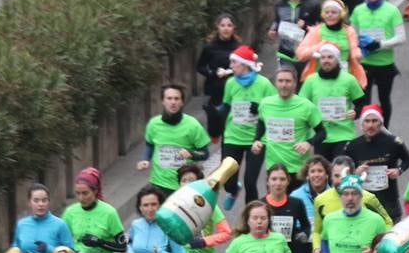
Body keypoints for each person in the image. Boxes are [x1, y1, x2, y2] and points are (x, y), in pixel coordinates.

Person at [218, 48, 277, 207]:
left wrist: (259, 108)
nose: (230, 65)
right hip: (233, 136)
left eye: (234, 62)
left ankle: (251, 217)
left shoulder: (263, 83)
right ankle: (233, 190)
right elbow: (226, 106)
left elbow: (274, 107)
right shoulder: (230, 83)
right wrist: (214, 112)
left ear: (245, 64)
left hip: (255, 139)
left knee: (250, 182)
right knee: (227, 179)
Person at [252, 67, 326, 193]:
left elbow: (322, 132)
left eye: (288, 81)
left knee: (296, 209)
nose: (284, 85)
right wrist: (257, 140)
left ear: (295, 83)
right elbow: (262, 123)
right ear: (275, 83)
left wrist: (308, 142)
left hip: (298, 169)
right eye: (280, 81)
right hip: (274, 168)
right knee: (275, 208)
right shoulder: (265, 104)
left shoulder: (306, 106)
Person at [350, 0, 406, 125]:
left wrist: (379, 45)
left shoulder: (392, 10)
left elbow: (401, 38)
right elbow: (352, 36)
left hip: (384, 63)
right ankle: (367, 134)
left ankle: (385, 131)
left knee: (384, 99)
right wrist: (359, 48)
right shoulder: (358, 11)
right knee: (365, 103)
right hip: (364, 63)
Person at [137, 84, 210, 196]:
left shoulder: (193, 125)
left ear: (182, 102)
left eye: (177, 99)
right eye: (169, 98)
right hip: (159, 183)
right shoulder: (153, 124)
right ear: (163, 101)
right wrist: (145, 159)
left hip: (185, 185)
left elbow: (205, 153)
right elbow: (149, 144)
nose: (173, 102)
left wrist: (192, 154)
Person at [298, 42, 366, 158]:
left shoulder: (349, 80)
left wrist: (356, 112)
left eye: (330, 57)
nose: (326, 60)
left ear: (337, 59)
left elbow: (362, 103)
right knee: (323, 174)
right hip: (320, 136)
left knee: (340, 171)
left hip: (344, 134)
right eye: (323, 57)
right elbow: (301, 106)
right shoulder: (310, 81)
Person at [346, 106, 409, 224]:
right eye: (367, 121)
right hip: (363, 200)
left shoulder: (393, 142)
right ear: (362, 124)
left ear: (381, 123)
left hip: (389, 200)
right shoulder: (353, 146)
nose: (370, 125)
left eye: (374, 121)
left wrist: (398, 171)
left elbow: (408, 159)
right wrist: (355, 173)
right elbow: (343, 171)